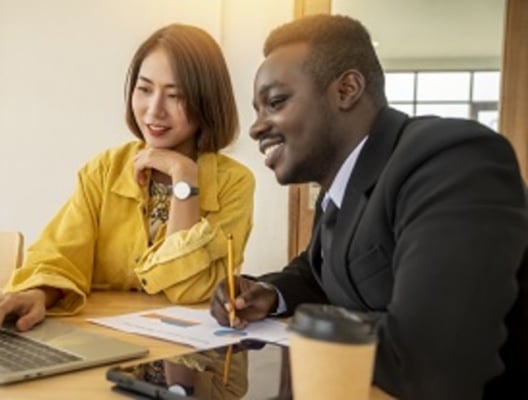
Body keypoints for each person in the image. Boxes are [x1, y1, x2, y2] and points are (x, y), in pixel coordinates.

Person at [209, 14, 528, 399]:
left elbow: (432, 352)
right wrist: (266, 293)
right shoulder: (340, 190)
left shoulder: (451, 158)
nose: (257, 128)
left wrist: (308, 329)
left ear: (347, 89)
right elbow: (318, 273)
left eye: (275, 102)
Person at [0, 24, 255, 335]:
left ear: (206, 100)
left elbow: (188, 290)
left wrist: (184, 178)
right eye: (144, 89)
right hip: (101, 340)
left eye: (175, 95)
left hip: (192, 354)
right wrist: (39, 294)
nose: (154, 110)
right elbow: (59, 255)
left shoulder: (235, 183)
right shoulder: (105, 169)